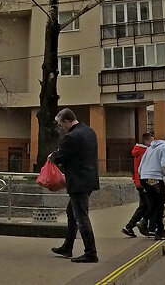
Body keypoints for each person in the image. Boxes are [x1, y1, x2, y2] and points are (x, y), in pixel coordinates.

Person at [49, 108, 100, 263]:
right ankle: (67, 246)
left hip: (78, 182)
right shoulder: (89, 131)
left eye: (60, 125)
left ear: (66, 121)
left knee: (81, 217)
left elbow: (60, 157)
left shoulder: (72, 136)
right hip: (89, 179)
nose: (60, 128)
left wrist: (52, 156)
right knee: (71, 212)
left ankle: (91, 252)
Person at [137, 132, 165, 239]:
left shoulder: (151, 147)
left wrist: (142, 176)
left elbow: (141, 164)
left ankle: (149, 224)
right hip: (155, 178)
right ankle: (157, 229)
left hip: (144, 178)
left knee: (154, 203)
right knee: (160, 204)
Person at [121, 132, 152, 238]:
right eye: (151, 141)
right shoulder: (145, 152)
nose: (152, 143)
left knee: (144, 205)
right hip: (144, 182)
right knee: (147, 206)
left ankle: (131, 226)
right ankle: (134, 225)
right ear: (146, 141)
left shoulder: (138, 151)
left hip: (139, 181)